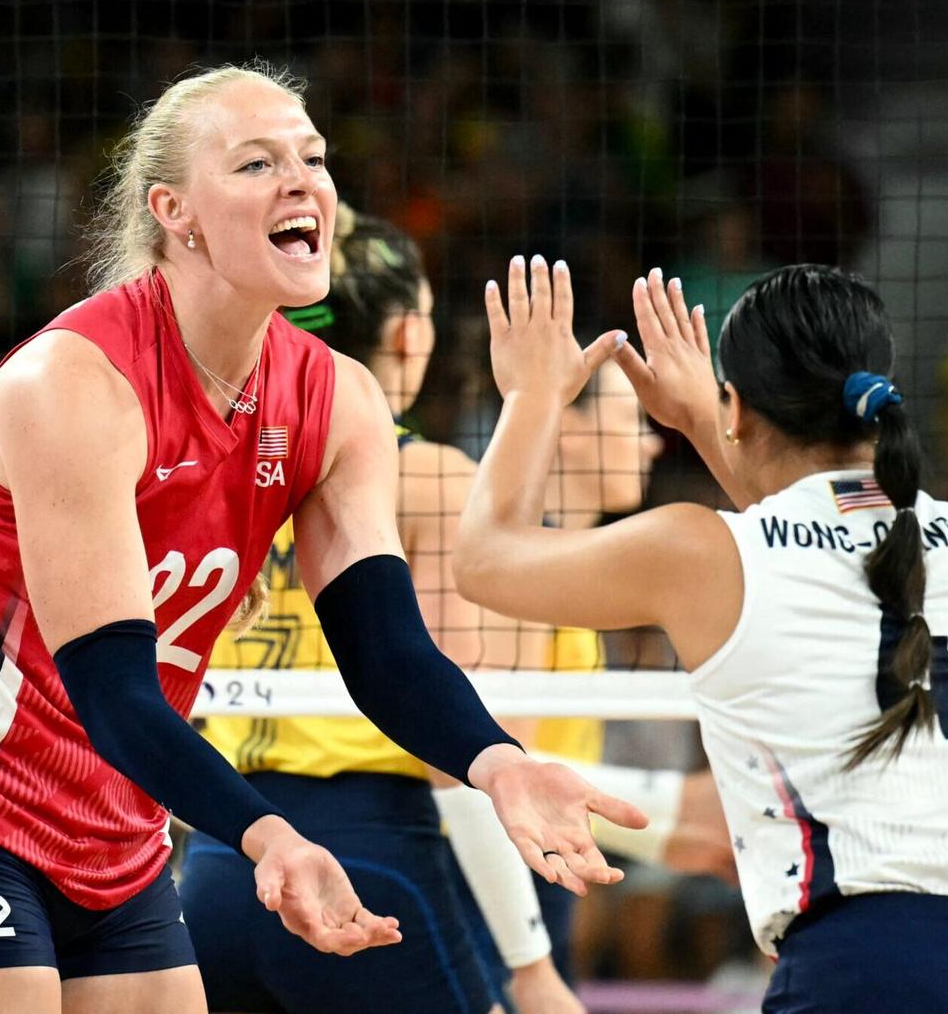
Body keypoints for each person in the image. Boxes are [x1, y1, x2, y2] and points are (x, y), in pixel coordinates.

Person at [0, 63, 643, 1014]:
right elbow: (116, 694)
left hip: (121, 840)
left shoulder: (338, 399)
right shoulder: (75, 387)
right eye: (256, 163)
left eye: (314, 159)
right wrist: (269, 836)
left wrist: (499, 763)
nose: (303, 181)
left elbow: (384, 652)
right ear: (176, 211)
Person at [456, 258, 948, 1013]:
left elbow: (483, 560)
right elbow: (822, 539)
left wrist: (534, 394)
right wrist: (710, 417)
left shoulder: (699, 554)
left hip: (871, 968)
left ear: (741, 408)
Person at [186, 209, 720, 1014]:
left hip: (224, 858)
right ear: (408, 335)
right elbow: (458, 769)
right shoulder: (431, 480)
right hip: (372, 853)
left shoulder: (222, 469)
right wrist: (529, 968)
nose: (645, 442)